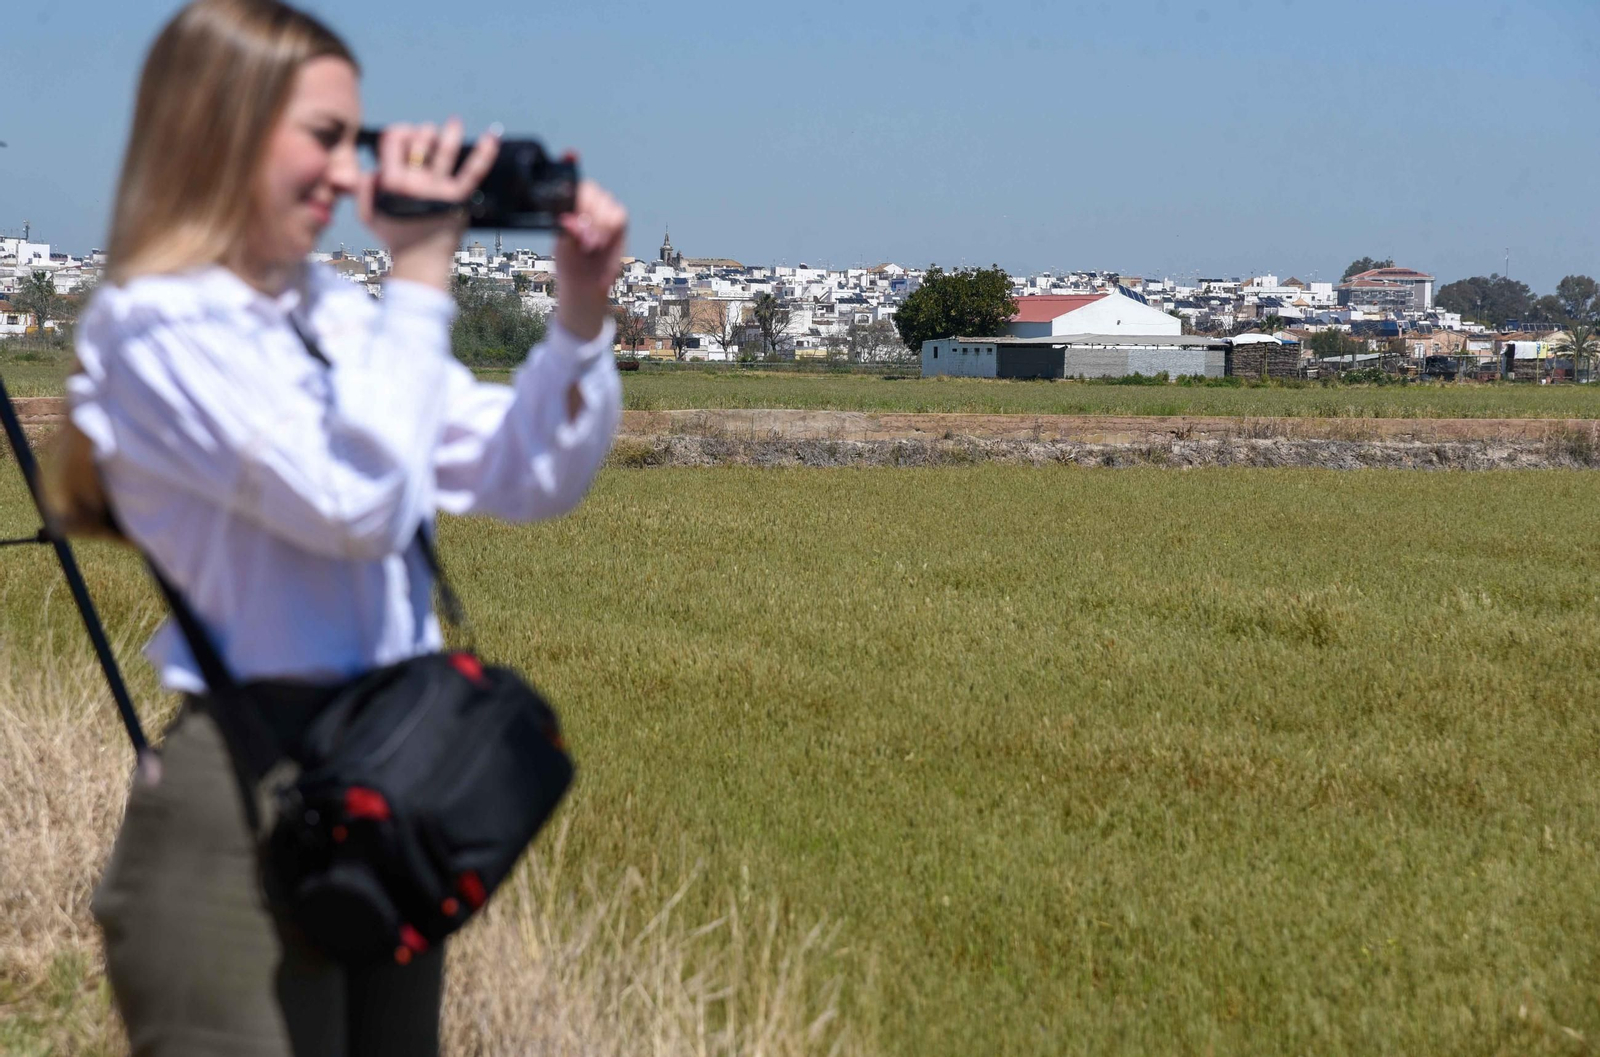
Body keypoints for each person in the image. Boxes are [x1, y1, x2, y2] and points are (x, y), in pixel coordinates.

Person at [47, 0, 627, 1053]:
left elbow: (527, 473)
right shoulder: (156, 327)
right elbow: (354, 505)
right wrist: (419, 270)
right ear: (217, 128)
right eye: (322, 138)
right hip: (237, 817)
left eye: (356, 143)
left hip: (380, 791)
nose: (347, 175)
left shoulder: (337, 315)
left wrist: (581, 321)